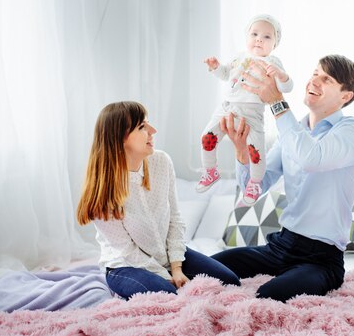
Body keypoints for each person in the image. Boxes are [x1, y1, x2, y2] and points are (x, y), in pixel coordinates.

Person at [211, 54, 354, 302]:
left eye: (326, 79)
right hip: (281, 245)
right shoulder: (291, 132)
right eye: (315, 74)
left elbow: (310, 158)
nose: (314, 81)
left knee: (269, 296)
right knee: (208, 269)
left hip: (321, 259)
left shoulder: (351, 131)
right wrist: (241, 153)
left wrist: (276, 101)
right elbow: (254, 187)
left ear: (345, 96)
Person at [76, 101, 240, 299]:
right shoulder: (103, 190)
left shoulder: (161, 162)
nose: (153, 131)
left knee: (231, 282)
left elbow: (175, 219)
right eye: (142, 127)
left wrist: (176, 267)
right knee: (168, 296)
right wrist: (166, 276)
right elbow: (127, 250)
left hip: (168, 255)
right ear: (120, 138)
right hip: (127, 264)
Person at [196, 14, 293, 206]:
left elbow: (287, 87)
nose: (259, 39)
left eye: (267, 37)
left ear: (275, 44)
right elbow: (226, 74)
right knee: (207, 137)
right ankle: (210, 170)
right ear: (247, 37)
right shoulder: (239, 57)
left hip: (252, 112)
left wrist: (281, 75)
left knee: (255, 151)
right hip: (227, 107)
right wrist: (215, 68)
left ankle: (254, 184)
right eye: (254, 34)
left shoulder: (273, 62)